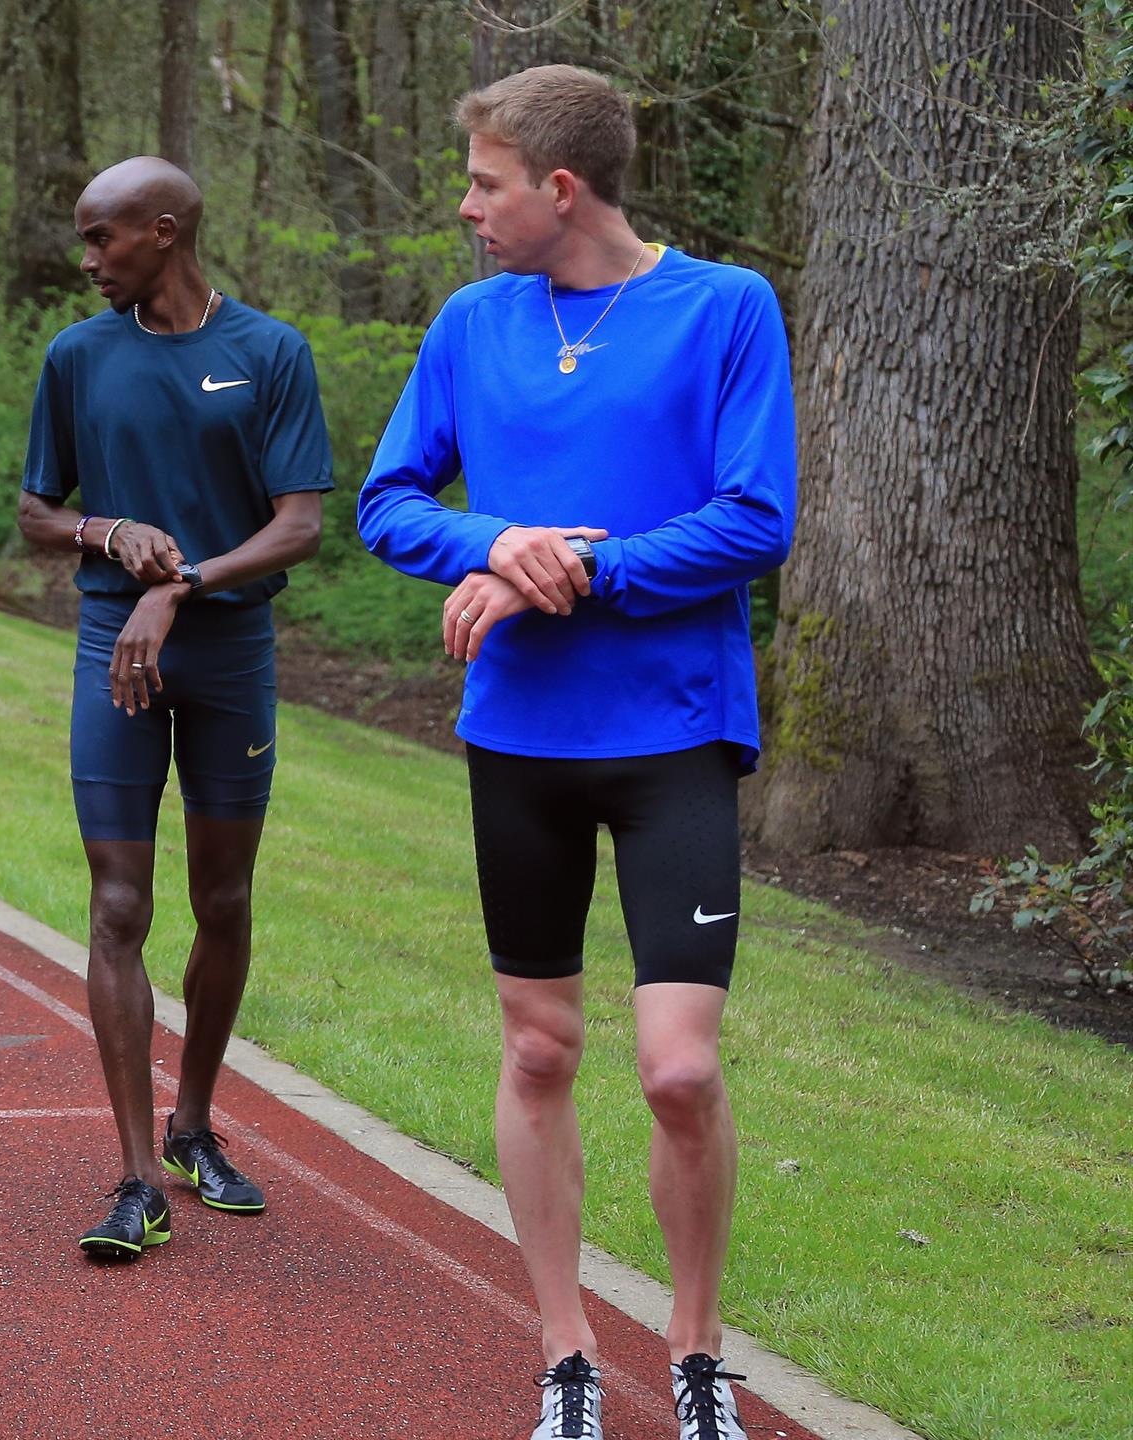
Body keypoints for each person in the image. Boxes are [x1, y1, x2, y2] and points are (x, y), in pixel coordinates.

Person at [356, 65, 793, 1440]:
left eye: (483, 183)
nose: (466, 207)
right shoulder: (472, 323)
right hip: (519, 738)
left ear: (558, 188)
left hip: (675, 731)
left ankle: (698, 1355)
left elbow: (755, 519)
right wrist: (493, 540)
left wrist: (574, 569)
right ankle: (565, 1357)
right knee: (539, 1048)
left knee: (679, 1070)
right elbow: (387, 500)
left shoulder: (725, 307)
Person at [15, 157, 330, 1262]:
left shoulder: (270, 351)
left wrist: (183, 583)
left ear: (163, 231)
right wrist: (108, 534)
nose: (87, 260)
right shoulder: (78, 354)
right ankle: (138, 1176)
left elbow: (299, 525)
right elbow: (36, 511)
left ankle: (195, 1125)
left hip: (229, 652)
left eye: (101, 238)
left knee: (223, 897)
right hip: (115, 651)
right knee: (117, 904)